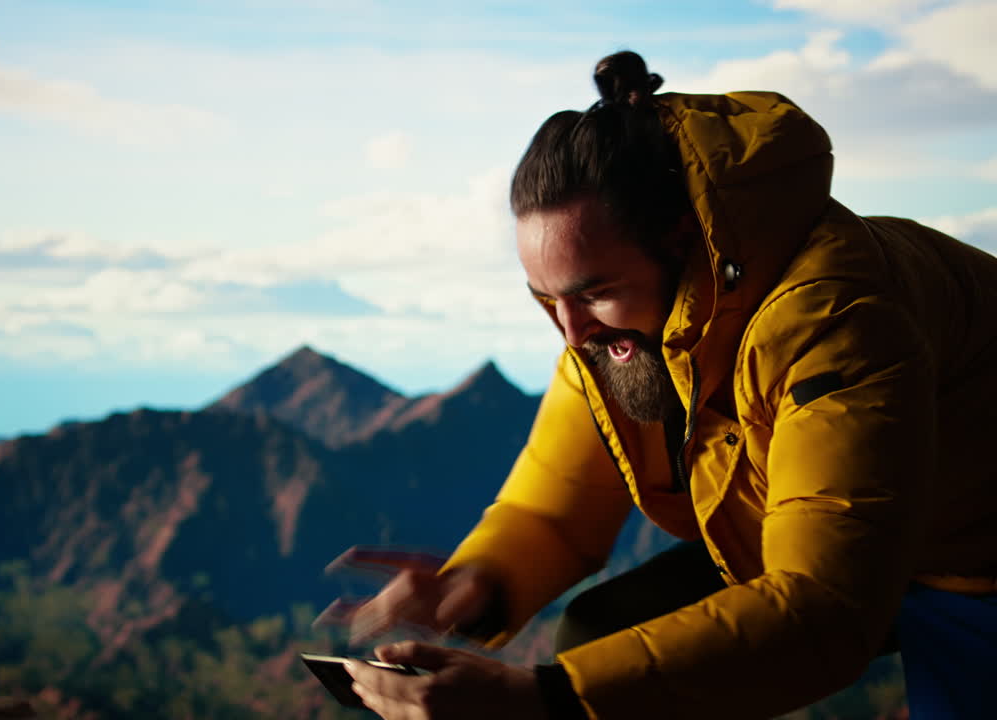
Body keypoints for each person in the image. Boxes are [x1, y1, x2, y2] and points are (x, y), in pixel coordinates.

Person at [334, 51, 997, 719]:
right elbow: (554, 509)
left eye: (594, 293)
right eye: (547, 298)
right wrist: (476, 584)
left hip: (976, 560)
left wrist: (545, 702)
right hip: (829, 534)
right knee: (602, 634)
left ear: (683, 241)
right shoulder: (624, 330)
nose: (570, 333)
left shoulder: (834, 319)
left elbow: (826, 608)